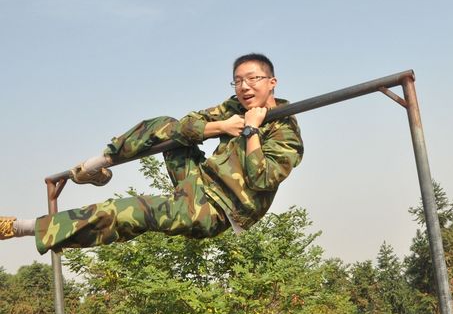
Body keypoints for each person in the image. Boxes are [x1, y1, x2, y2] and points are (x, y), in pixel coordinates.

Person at [0, 53, 303, 254]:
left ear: (271, 82)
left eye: (253, 79)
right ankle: (99, 163)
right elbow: (188, 125)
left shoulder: (285, 132)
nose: (245, 87)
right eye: (238, 81)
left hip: (217, 210)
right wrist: (220, 125)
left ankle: (21, 227)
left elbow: (262, 179)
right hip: (199, 181)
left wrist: (250, 131)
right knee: (166, 126)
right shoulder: (235, 106)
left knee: (128, 211)